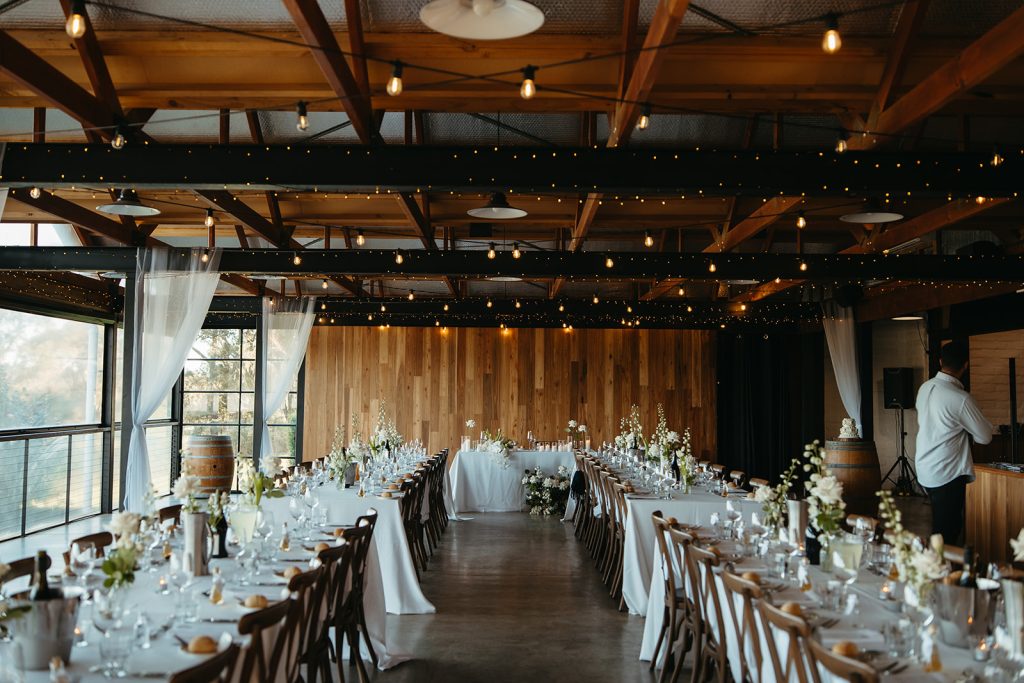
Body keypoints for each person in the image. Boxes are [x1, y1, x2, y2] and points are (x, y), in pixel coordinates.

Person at [915, 340, 994, 545]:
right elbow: (985, 437)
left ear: (941, 361)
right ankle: (939, 572)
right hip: (946, 472)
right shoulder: (960, 399)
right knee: (947, 532)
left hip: (924, 467)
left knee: (940, 527)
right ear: (966, 365)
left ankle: (935, 567)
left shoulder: (925, 388)